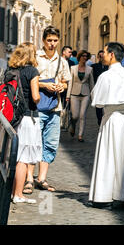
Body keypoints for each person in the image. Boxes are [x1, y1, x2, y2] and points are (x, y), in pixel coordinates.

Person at [88, 42, 124, 208]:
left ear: (111, 54)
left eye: (104, 52)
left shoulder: (105, 76)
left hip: (111, 118)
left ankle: (103, 195)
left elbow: (97, 100)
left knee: (108, 156)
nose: (102, 55)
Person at [27, 26, 71, 193]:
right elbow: (29, 80)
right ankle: (29, 179)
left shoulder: (63, 61)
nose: (52, 44)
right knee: (33, 141)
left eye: (55, 41)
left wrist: (61, 86)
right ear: (43, 41)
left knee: (50, 143)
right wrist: (45, 84)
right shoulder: (35, 58)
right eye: (49, 41)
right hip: (36, 106)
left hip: (55, 106)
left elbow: (66, 81)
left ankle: (42, 178)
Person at [9, 43, 42, 203]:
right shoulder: (32, 71)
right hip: (29, 117)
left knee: (16, 156)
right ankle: (18, 194)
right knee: (23, 159)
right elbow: (35, 97)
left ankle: (13, 192)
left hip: (14, 118)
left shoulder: (11, 71)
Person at [66, 50, 95, 142]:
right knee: (75, 116)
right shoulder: (73, 68)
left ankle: (80, 135)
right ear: (79, 57)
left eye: (86, 56)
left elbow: (91, 83)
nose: (85, 58)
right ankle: (72, 125)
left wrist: (93, 96)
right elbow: (70, 82)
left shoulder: (90, 69)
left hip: (85, 94)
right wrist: (68, 95)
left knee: (82, 115)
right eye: (83, 56)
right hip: (74, 93)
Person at [91, 50, 108, 125]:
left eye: (102, 56)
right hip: (98, 89)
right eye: (100, 56)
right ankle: (100, 122)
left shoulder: (108, 66)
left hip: (106, 90)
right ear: (98, 57)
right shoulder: (94, 66)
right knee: (98, 108)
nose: (101, 57)